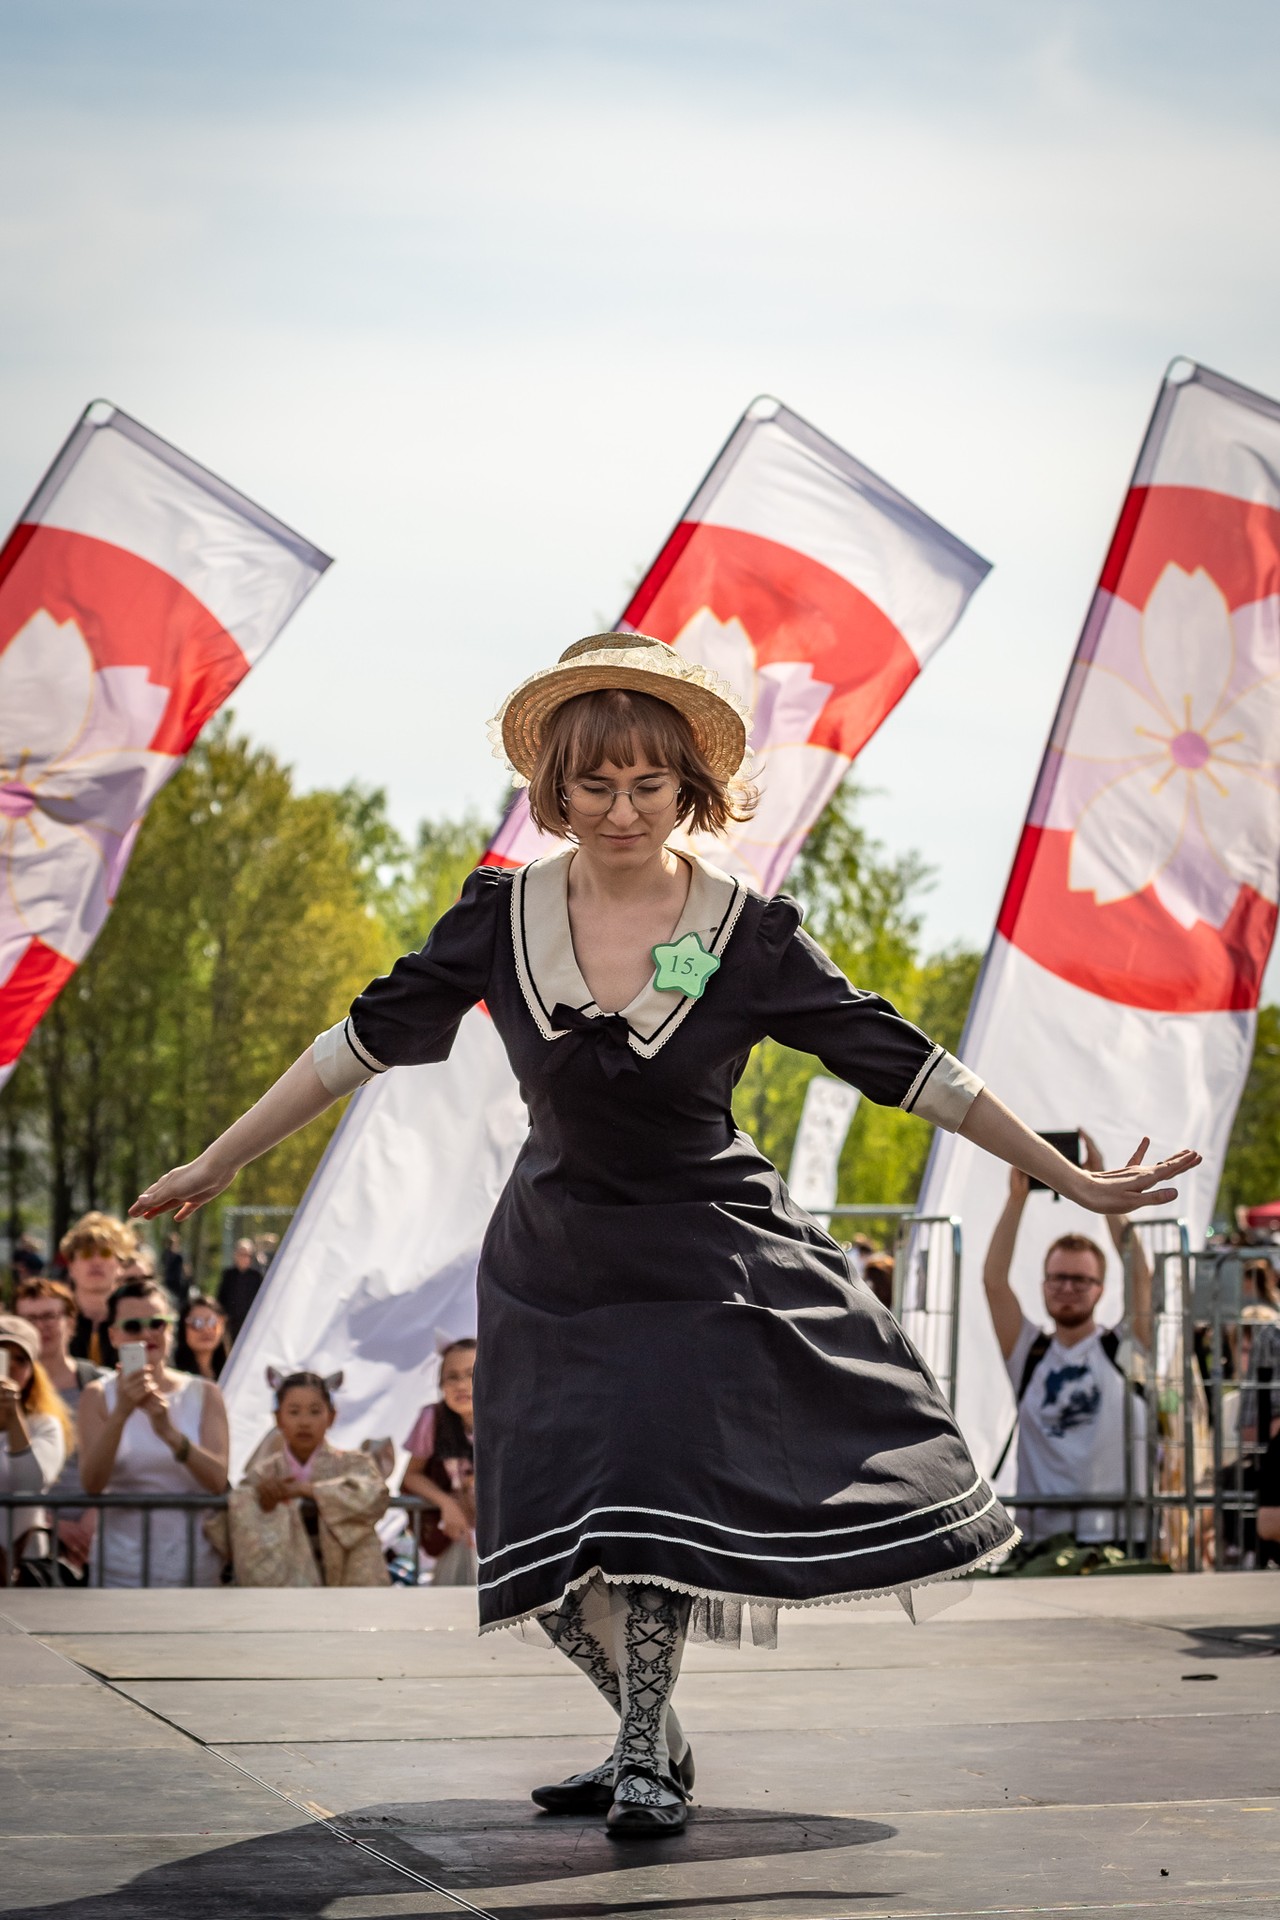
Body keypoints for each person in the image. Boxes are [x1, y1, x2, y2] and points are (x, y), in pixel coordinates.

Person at [131, 632, 1198, 1836]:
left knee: (643, 1501)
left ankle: (642, 1752)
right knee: (537, 1549)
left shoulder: (746, 932)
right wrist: (221, 1157)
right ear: (554, 789)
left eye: (648, 783)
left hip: (698, 1255)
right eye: (594, 785)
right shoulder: (500, 915)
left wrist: (1069, 1179)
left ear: (691, 786)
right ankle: (653, 1735)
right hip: (545, 1264)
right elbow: (355, 1043)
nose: (622, 809)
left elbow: (904, 1062)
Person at [982, 1131, 1153, 1547]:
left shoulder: (1125, 1349)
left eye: (1080, 1280)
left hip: (1121, 1543)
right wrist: (1016, 1199)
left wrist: (1105, 1195)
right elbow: (994, 1281)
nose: (1067, 1288)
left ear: (1100, 1289)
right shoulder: (1030, 1352)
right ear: (1043, 1285)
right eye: (1057, 1278)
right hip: (1041, 1547)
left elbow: (1140, 1276)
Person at [78, 1278, 228, 1587]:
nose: (147, 1334)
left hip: (193, 1569)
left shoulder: (205, 1393)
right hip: (120, 1571)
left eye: (157, 1323)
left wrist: (169, 1433)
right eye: (133, 1326)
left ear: (171, 1329)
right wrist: (121, 1412)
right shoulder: (97, 1395)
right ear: (114, 1336)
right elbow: (92, 1483)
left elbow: (217, 1480)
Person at [213, 1369, 390, 1587]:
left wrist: (307, 1490)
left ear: (331, 1416)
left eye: (315, 1412)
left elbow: (375, 1495)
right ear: (278, 1418)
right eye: (294, 1412)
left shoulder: (354, 1464)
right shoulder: (265, 1474)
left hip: (349, 1574)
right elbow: (232, 1519)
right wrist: (261, 1503)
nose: (304, 1422)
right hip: (287, 1582)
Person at [15, 1279, 107, 1580]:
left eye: (49, 1316)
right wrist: (54, 1525)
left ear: (71, 1321)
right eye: (30, 1318)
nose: (41, 1326)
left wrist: (93, 1519)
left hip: (99, 1539)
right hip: (30, 1542)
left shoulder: (100, 1384)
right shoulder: (8, 1393)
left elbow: (124, 1456)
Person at [0, 1313, 70, 1582]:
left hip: (24, 1567)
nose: (11, 1367)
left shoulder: (44, 1424)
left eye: (21, 1359)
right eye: (3, 1355)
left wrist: (13, 1415)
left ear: (33, 1370)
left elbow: (31, 1483)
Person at [401, 1339, 477, 1585]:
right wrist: (447, 1503)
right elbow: (412, 1475)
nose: (461, 1385)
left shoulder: (509, 1419)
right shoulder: (433, 1419)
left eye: (471, 1374)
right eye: (452, 1377)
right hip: (457, 1536)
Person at [62, 1213, 137, 1367]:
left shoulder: (136, 1319)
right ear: (71, 1266)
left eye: (105, 1253)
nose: (96, 1261)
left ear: (120, 1264)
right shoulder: (56, 1319)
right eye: (86, 1254)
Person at [172, 1296, 231, 1382]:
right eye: (197, 1323)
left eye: (212, 1322)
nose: (206, 1329)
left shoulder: (233, 1373)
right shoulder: (174, 1375)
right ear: (183, 1329)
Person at [217, 1238, 263, 1343]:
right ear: (236, 1255)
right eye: (242, 1254)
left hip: (250, 1322)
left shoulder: (256, 1276)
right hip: (231, 1323)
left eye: (248, 1255)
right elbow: (221, 1297)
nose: (244, 1258)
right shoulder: (228, 1274)